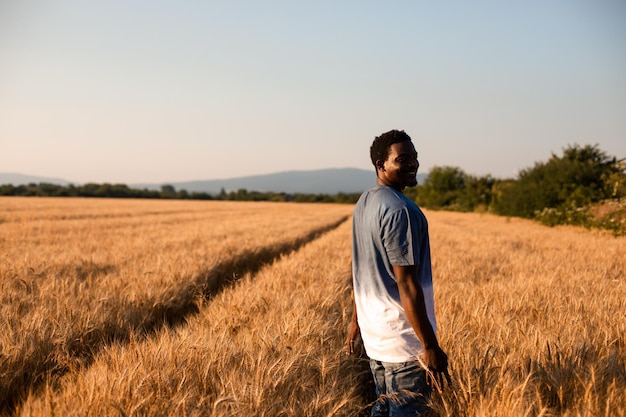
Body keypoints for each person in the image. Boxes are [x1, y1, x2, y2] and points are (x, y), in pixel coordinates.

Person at [346, 129, 451, 416]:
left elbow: (362, 270)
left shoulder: (365, 202)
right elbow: (406, 283)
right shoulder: (399, 210)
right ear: (380, 165)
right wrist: (429, 345)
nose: (413, 164)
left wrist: (356, 321)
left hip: (376, 339)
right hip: (403, 344)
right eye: (402, 159)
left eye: (414, 157)